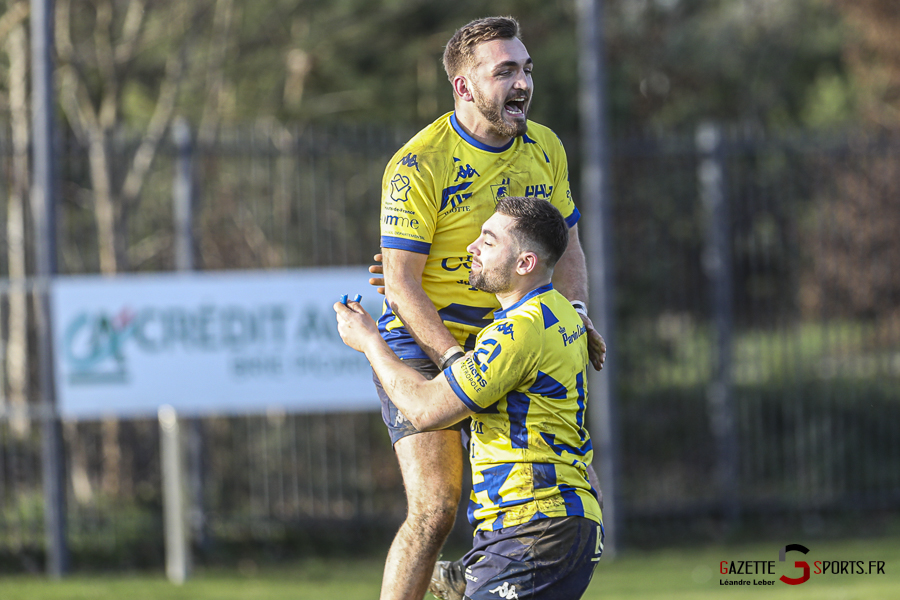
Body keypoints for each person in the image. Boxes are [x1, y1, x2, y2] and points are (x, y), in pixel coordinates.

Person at [372, 16, 605, 600]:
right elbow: (400, 285)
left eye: (526, 69)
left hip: (510, 335)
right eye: (504, 71)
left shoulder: (545, 148)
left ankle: (472, 585)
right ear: (465, 87)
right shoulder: (419, 164)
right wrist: (453, 357)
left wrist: (573, 313)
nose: (522, 83)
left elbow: (567, 246)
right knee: (436, 507)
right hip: (427, 338)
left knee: (536, 488)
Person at [338, 197, 604, 600]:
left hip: (531, 530)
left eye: (489, 241)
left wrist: (370, 341)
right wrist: (408, 279)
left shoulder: (517, 332)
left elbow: (425, 410)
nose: (471, 248)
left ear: (525, 264)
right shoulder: (564, 315)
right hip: (563, 524)